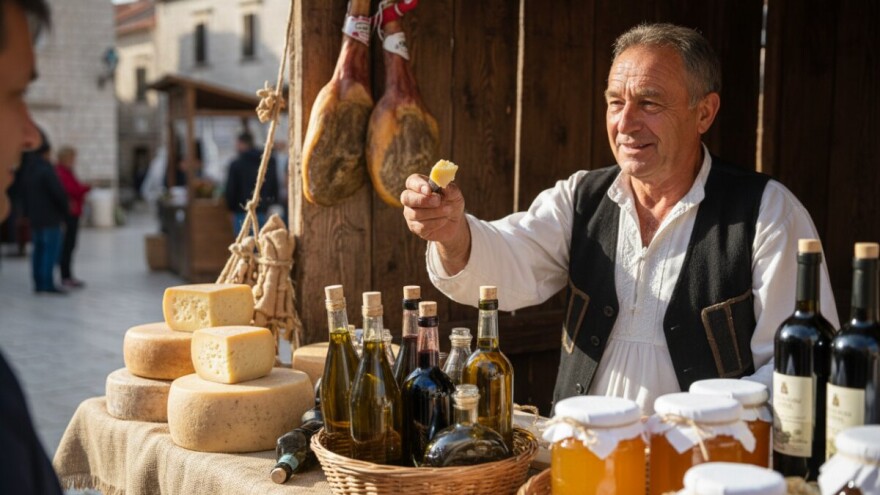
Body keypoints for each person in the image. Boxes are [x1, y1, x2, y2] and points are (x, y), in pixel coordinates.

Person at [400, 23, 839, 414]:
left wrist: (701, 424)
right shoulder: (581, 197)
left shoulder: (768, 212)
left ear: (704, 112)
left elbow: (799, 365)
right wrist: (454, 235)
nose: (626, 123)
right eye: (615, 102)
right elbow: (508, 265)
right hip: (585, 457)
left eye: (649, 103)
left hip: (701, 461)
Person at [0, 0, 64, 492]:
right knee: (46, 257)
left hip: (42, 223)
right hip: (49, 223)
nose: (29, 133)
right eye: (14, 95)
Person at [20, 130, 68, 294]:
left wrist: (26, 214)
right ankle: (47, 283)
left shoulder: (29, 170)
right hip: (50, 218)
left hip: (35, 218)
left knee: (38, 251)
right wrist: (65, 209)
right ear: (46, 153)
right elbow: (58, 193)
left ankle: (38, 283)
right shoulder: (47, 170)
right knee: (50, 251)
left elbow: (24, 195)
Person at [225, 131, 279, 235]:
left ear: (241, 143)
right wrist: (272, 203)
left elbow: (231, 189)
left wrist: (230, 208)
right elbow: (274, 184)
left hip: (241, 211)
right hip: (263, 210)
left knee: (243, 243)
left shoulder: (236, 164)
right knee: (262, 242)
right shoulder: (268, 161)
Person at [55, 145, 90, 288]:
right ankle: (66, 276)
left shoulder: (67, 171)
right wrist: (86, 188)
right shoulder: (62, 172)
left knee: (70, 245)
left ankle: (68, 275)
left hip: (74, 212)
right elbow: (72, 190)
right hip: (69, 213)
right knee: (67, 245)